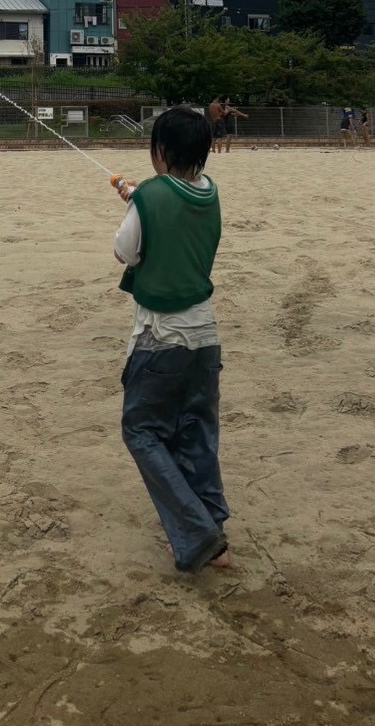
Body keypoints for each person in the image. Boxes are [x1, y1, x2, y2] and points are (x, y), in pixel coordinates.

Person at [112, 106, 230, 574]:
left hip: (162, 337)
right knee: (196, 432)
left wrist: (137, 201)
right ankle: (214, 532)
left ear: (160, 151)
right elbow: (172, 210)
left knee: (141, 430)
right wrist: (140, 199)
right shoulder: (210, 191)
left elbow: (125, 250)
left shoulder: (152, 194)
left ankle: (197, 533)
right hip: (205, 337)